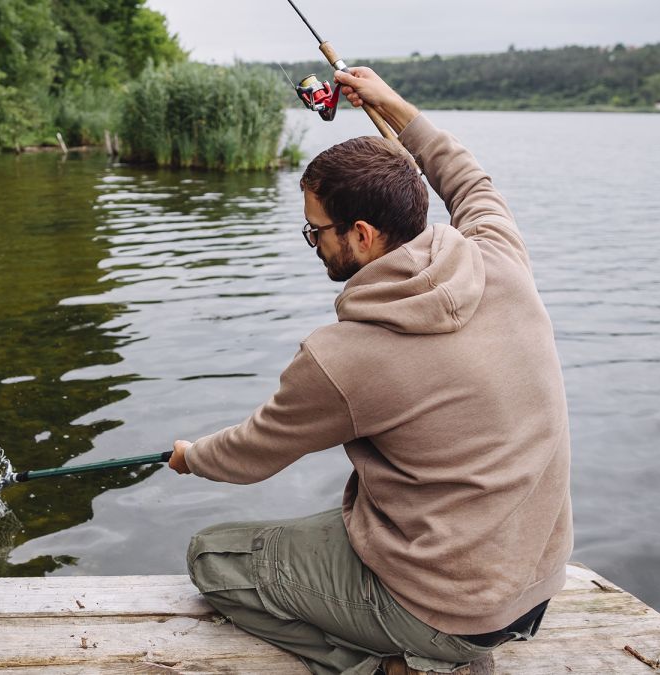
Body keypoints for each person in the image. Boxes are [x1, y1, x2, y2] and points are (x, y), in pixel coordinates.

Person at [168, 67, 572, 675]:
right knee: (336, 521)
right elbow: (466, 177)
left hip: (451, 611)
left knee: (214, 558)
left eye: (315, 231)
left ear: (362, 234)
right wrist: (392, 104)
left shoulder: (342, 358)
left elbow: (250, 455)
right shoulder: (500, 256)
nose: (312, 241)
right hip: (536, 585)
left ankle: (389, 666)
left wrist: (191, 455)